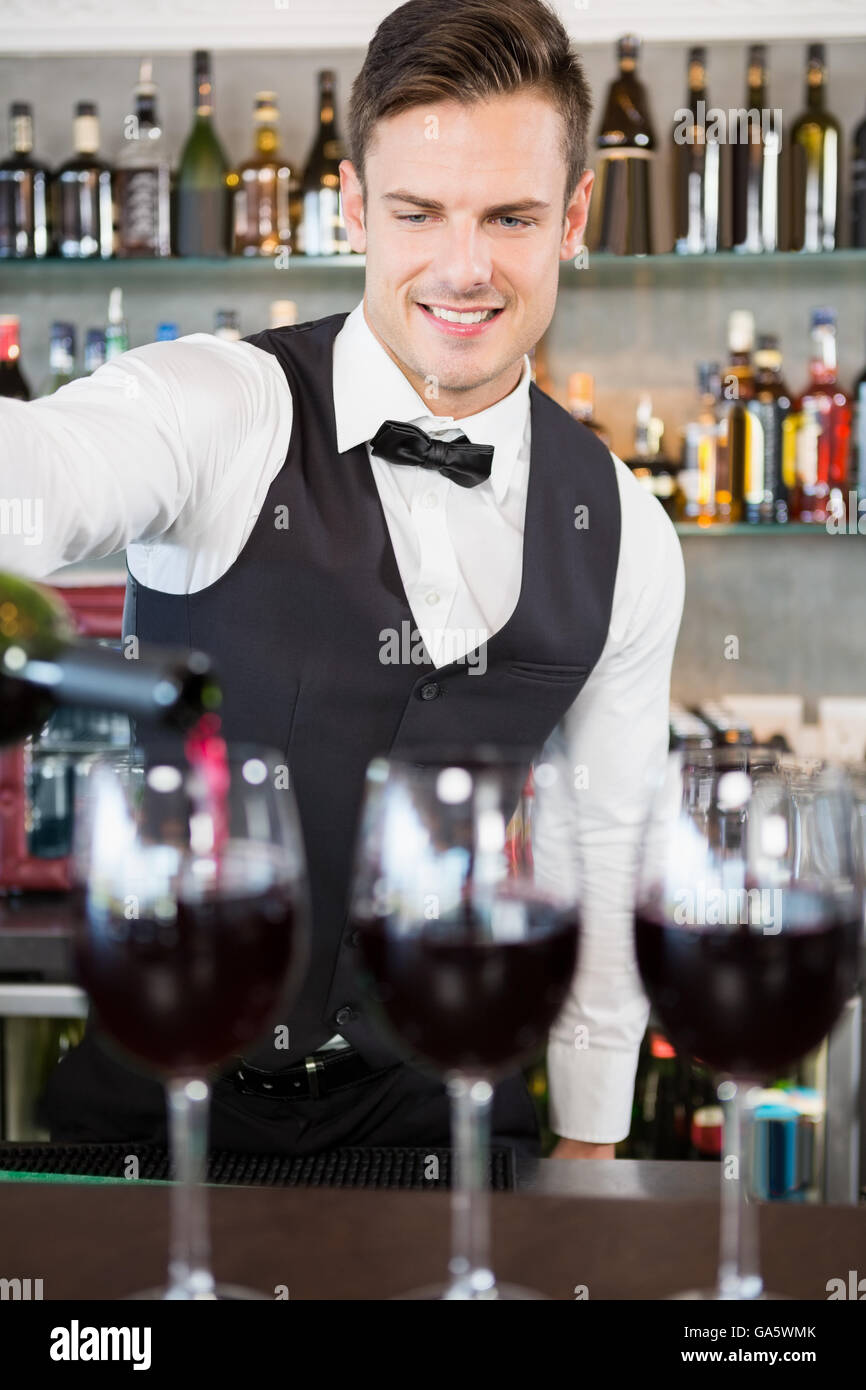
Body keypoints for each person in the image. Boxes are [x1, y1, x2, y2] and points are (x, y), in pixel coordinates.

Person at [0, 0, 684, 1161]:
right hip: (162, 1106)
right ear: (356, 207)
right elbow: (46, 474)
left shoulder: (622, 523)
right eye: (417, 213)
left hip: (444, 1121)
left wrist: (588, 1146)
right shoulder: (223, 405)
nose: (463, 270)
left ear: (572, 217)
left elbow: (599, 846)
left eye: (510, 216)